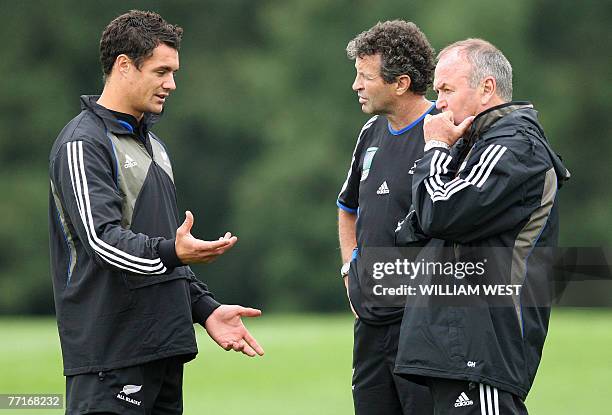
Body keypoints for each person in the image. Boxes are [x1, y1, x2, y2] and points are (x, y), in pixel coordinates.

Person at [48, 10, 264, 415]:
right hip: (109, 358)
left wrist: (205, 308)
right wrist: (173, 253)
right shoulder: (83, 143)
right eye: (162, 71)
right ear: (124, 66)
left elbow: (162, 247)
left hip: (163, 350)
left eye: (174, 72)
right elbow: (102, 241)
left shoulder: (155, 147)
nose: (172, 84)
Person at [394, 39, 570, 415]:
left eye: (446, 89)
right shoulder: (476, 144)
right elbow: (410, 230)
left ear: (486, 88)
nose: (437, 102)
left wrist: (436, 148)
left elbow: (438, 213)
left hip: (482, 350)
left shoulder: (514, 145)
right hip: (453, 348)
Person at [337, 20, 437, 415]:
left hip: (424, 326)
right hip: (370, 324)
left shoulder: (446, 133)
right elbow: (348, 208)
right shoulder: (370, 132)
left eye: (365, 77)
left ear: (400, 83)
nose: (356, 86)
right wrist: (350, 270)